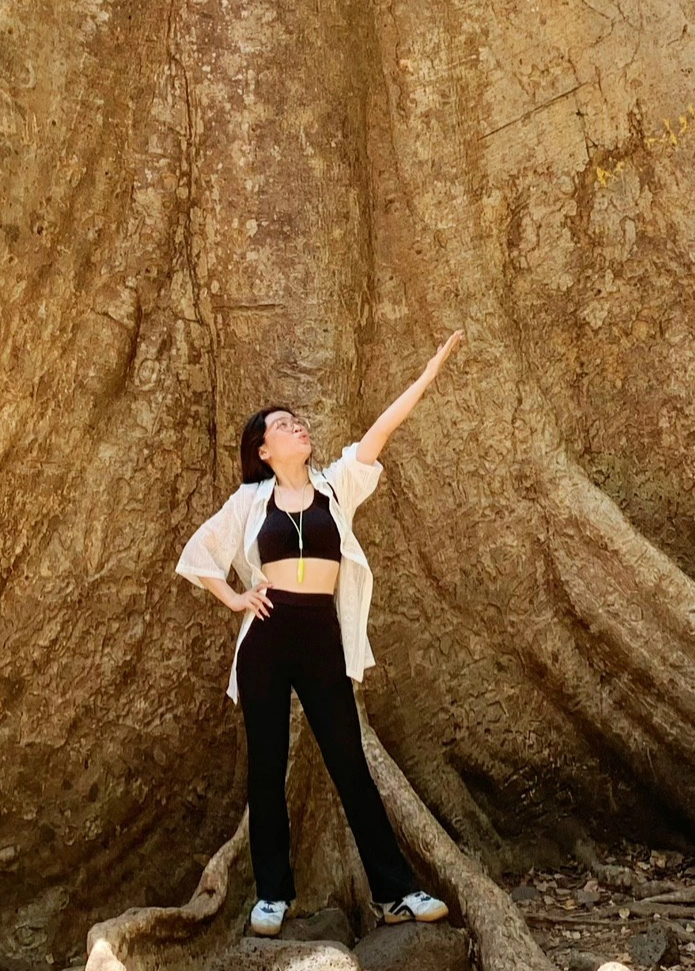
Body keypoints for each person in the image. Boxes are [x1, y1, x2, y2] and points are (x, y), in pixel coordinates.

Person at [175, 329, 467, 938]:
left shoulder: (337, 485)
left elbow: (381, 432)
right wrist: (235, 598)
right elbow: (199, 554)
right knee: (267, 765)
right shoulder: (250, 500)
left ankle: (393, 892)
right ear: (264, 449)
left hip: (320, 638)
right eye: (285, 424)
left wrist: (431, 367)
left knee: (349, 763)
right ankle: (272, 895)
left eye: (299, 421)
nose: (299, 427)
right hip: (268, 633)